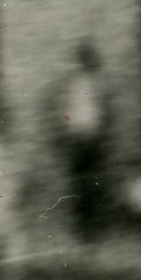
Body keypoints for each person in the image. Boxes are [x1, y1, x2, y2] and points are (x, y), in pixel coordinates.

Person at [51, 42, 110, 241]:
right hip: (83, 138)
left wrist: (68, 127)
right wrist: (68, 128)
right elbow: (69, 112)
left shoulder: (93, 83)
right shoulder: (79, 84)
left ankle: (88, 224)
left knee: (86, 181)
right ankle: (85, 225)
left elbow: (99, 112)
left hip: (88, 137)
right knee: (84, 181)